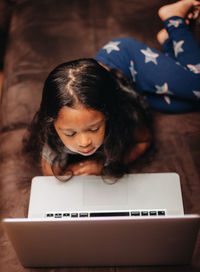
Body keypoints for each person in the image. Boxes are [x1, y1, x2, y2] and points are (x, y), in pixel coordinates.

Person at [24, 0, 200, 178]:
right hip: (131, 88)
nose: (84, 142)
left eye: (93, 129)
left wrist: (100, 166)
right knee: (186, 104)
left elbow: (144, 140)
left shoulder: (122, 112)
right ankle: (168, 43)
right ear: (52, 124)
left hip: (127, 60)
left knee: (196, 85)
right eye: (69, 133)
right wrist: (59, 173)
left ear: (108, 114)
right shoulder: (52, 127)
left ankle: (173, 18)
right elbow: (49, 173)